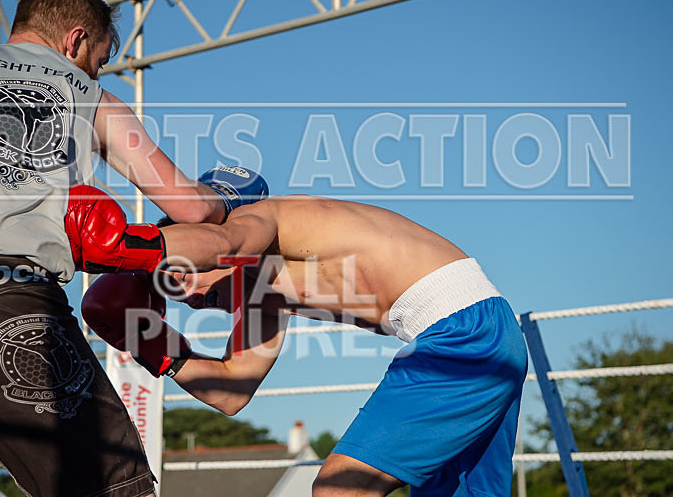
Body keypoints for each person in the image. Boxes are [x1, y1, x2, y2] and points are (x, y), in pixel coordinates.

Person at [0, 0, 266, 497]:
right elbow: (189, 208)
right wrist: (231, 195)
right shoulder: (96, 99)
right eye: (100, 59)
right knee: (111, 488)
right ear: (75, 40)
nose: (97, 70)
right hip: (11, 304)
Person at [81, 194, 529, 496]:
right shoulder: (265, 298)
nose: (194, 300)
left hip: (462, 333)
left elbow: (222, 241)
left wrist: (116, 246)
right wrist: (150, 343)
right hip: (482, 335)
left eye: (183, 276)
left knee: (339, 488)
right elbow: (231, 391)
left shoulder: (262, 222)